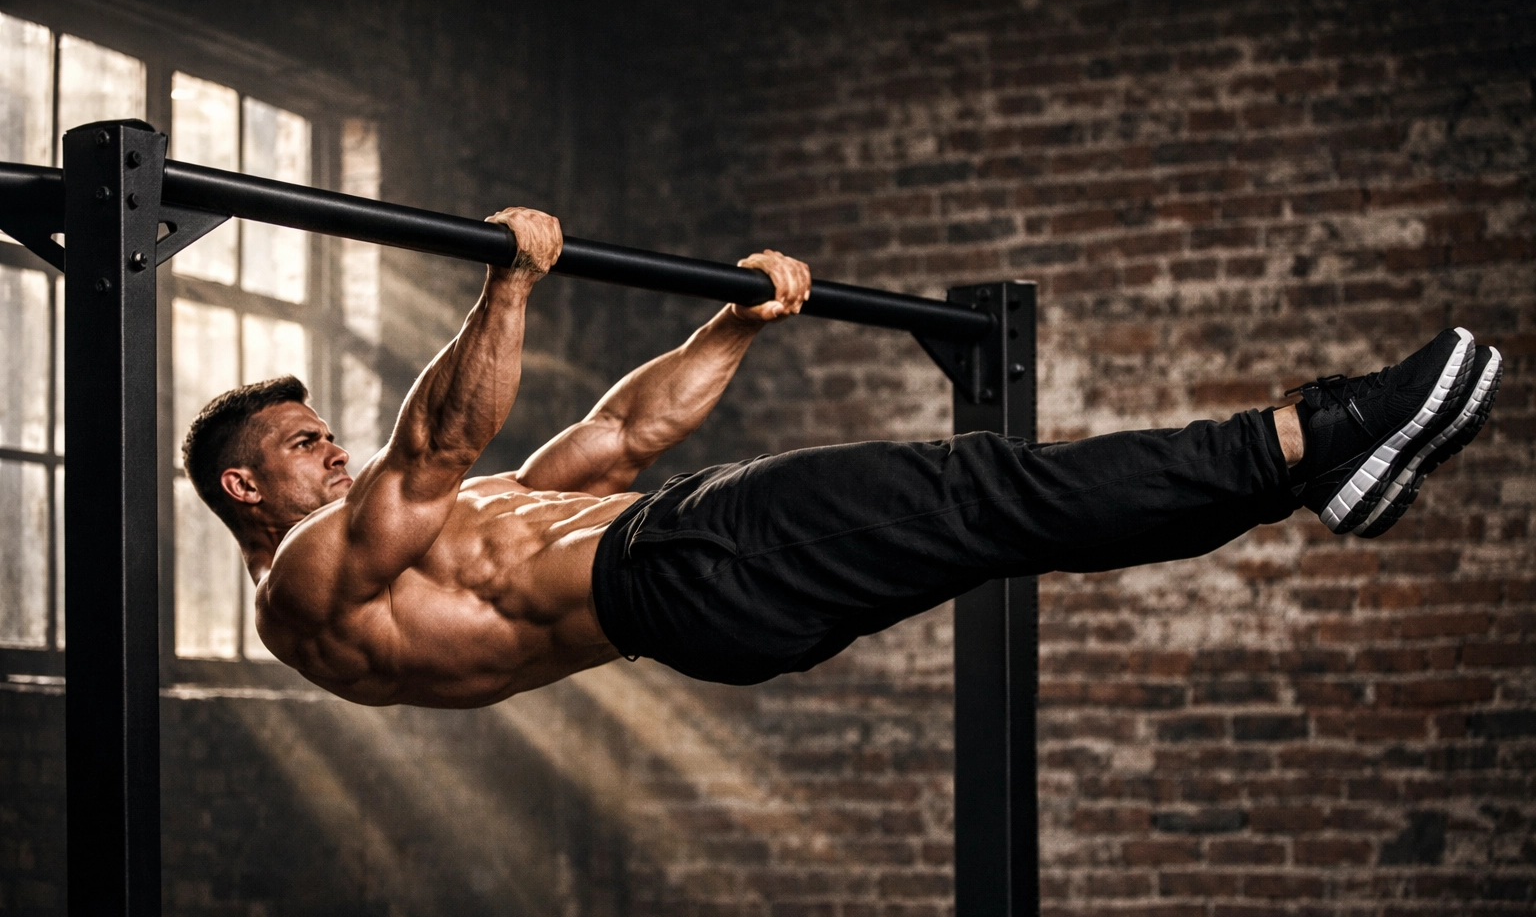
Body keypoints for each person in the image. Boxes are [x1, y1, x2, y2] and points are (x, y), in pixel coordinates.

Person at [180, 208, 1503, 706]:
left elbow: (627, 433)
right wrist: (509, 280)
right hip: (681, 564)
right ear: (245, 487)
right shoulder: (303, 588)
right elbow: (441, 439)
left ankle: (1316, 475)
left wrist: (731, 324)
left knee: (1010, 520)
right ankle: (1323, 429)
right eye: (303, 444)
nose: (333, 449)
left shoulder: (426, 540)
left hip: (704, 603)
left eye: (327, 431)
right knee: (995, 490)